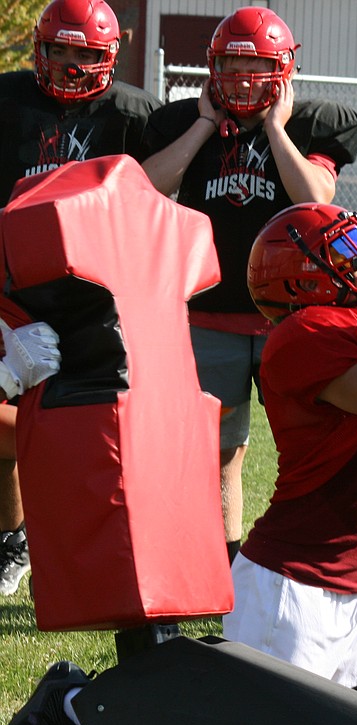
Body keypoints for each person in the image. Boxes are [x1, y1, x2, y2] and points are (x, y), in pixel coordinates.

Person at [0, 203, 357, 725]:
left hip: (355, 587)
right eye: (349, 252)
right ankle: (72, 701)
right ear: (301, 274)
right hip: (290, 586)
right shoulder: (302, 338)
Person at [141, 6, 357, 564]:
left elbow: (315, 196)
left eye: (256, 66)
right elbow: (148, 186)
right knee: (218, 452)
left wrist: (274, 129)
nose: (242, 78)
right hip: (209, 314)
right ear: (213, 67)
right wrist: (201, 126)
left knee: (315, 446)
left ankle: (319, 562)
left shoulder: (312, 122)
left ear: (284, 70)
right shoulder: (180, 123)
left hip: (290, 316)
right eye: (233, 65)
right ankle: (224, 566)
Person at [0, 0, 161, 596]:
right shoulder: (9, 99)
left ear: (109, 56)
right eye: (59, 50)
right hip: (17, 289)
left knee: (108, 427)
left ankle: (113, 540)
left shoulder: (133, 113)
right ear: (39, 50)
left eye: (85, 53)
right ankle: (13, 539)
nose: (70, 64)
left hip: (101, 295)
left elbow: (159, 198)